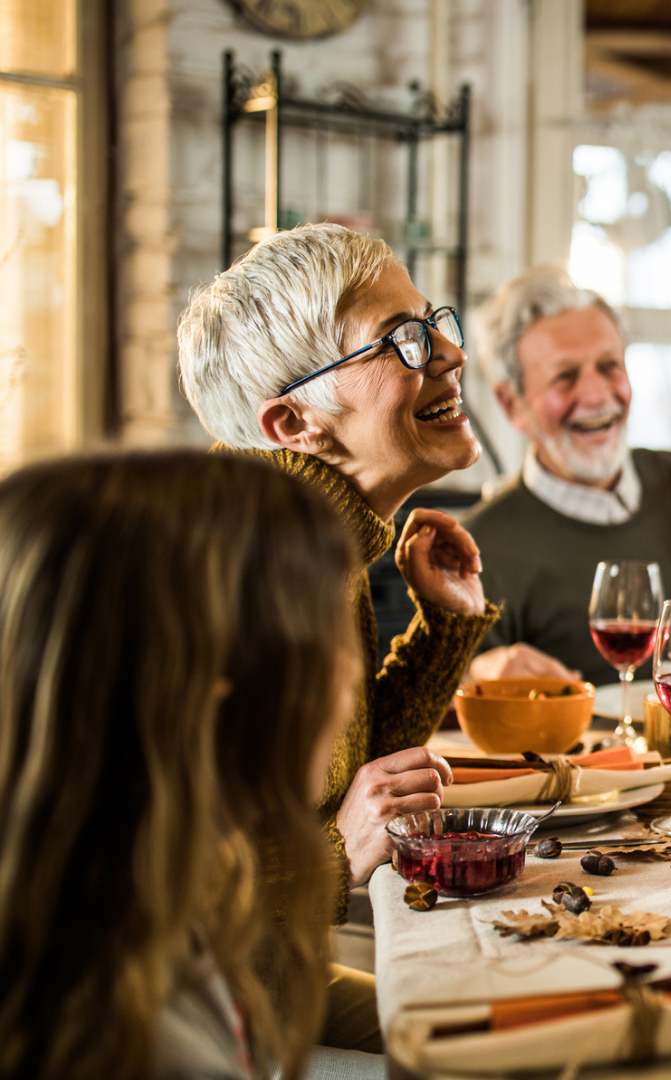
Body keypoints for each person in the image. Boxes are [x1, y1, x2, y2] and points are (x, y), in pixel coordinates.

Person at [177, 224, 498, 1048]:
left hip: (275, 987)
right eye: (402, 340)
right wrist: (334, 854)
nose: (448, 354)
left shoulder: (318, 544)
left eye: (434, 323)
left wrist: (443, 631)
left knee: (528, 1024)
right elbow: (128, 897)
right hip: (187, 1032)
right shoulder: (224, 574)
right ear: (294, 424)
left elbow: (341, 779)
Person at [0, 452, 359, 1079]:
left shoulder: (125, 889)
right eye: (330, 634)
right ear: (214, 695)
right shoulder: (138, 1046)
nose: (350, 676)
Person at [464, 263, 671, 684]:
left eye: (610, 366)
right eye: (565, 377)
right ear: (512, 405)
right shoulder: (477, 552)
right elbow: (438, 706)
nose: (597, 396)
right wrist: (471, 676)